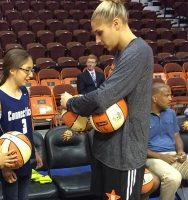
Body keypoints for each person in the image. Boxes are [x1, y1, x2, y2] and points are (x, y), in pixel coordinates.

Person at [60, 0, 154, 198]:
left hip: (123, 156)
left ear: (116, 23)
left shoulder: (139, 51)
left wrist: (70, 103)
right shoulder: (122, 54)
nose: (96, 40)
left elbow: (102, 97)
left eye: (99, 32)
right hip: (105, 151)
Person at [0, 49, 43, 200]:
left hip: (27, 156)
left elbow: (26, 124)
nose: (31, 75)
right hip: (10, 161)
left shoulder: (25, 92)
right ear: (12, 70)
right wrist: (3, 165)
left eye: (32, 70)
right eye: (27, 70)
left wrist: (34, 151)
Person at [146, 82, 188, 200]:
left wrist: (180, 151)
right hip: (152, 158)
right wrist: (161, 157)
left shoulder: (171, 113)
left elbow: (177, 136)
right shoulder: (142, 117)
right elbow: (138, 148)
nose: (171, 98)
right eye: (167, 95)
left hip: (173, 156)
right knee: (173, 178)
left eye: (171, 95)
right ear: (155, 98)